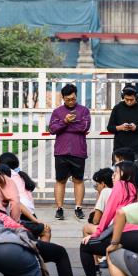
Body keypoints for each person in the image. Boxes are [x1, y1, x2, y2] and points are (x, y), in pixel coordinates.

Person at [79, 161, 138, 276]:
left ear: (124, 174)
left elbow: (108, 213)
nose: (113, 176)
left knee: (85, 247)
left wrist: (96, 234)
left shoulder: (120, 186)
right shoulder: (135, 188)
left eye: (116, 173)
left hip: (122, 234)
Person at [48, 83, 91, 221]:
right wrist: (65, 121)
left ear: (76, 96)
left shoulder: (84, 110)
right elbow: (52, 129)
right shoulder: (57, 112)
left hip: (78, 150)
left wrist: (65, 126)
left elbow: (84, 127)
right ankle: (59, 208)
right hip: (61, 151)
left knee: (78, 180)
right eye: (68, 99)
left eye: (73, 98)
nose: (71, 101)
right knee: (60, 180)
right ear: (63, 98)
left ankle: (78, 207)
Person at [0, 152, 51, 242]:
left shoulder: (5, 177)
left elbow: (17, 203)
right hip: (31, 213)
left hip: (21, 214)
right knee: (44, 232)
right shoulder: (20, 174)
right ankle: (41, 254)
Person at [107, 83, 138, 167]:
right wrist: (120, 127)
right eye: (127, 99)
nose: (129, 102)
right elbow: (109, 128)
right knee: (117, 175)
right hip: (119, 149)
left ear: (137, 98)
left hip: (135, 150)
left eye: (132, 99)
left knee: (133, 176)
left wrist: (136, 128)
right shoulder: (117, 108)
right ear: (123, 97)